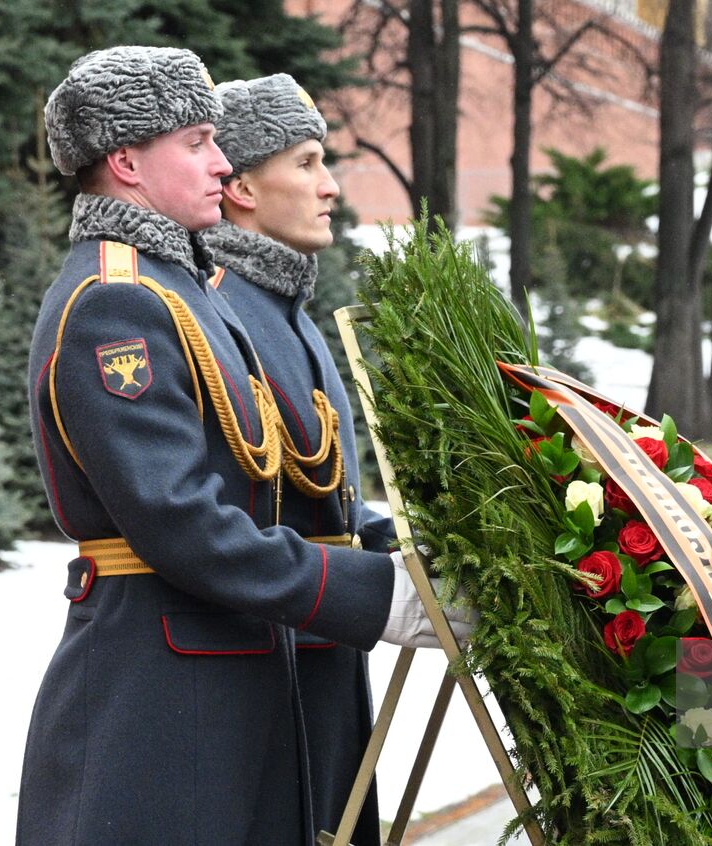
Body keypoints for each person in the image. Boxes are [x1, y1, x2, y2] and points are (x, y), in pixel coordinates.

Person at [21, 47, 468, 845]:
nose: (220, 163)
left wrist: (410, 559)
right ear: (126, 160)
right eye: (195, 142)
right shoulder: (112, 301)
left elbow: (281, 489)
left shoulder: (179, 288)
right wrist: (382, 596)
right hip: (161, 702)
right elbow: (185, 526)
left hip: (229, 680)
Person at [202, 73, 392, 844]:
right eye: (308, 163)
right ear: (241, 184)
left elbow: (326, 501)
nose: (332, 187)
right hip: (263, 661)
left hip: (325, 657)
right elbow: (224, 516)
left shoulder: (286, 307)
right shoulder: (214, 307)